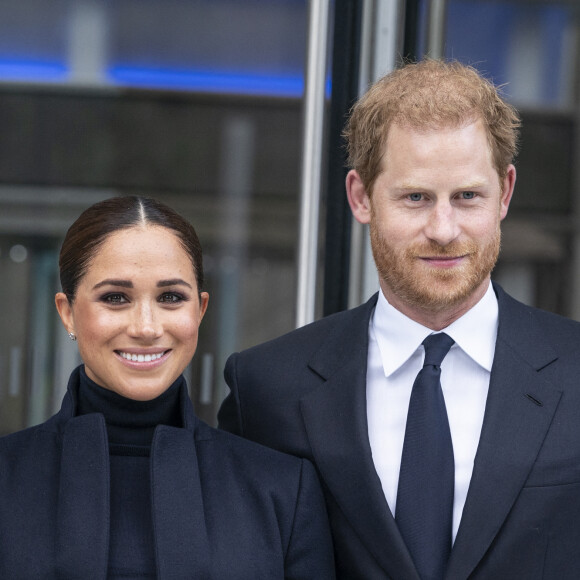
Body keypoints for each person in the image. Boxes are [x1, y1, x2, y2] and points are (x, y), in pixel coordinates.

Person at [218, 59, 580, 580]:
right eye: (415, 197)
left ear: (505, 192)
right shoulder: (268, 389)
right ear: (361, 197)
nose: (443, 228)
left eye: (467, 197)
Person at [0, 196, 335, 579]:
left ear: (200, 310)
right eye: (115, 298)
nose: (146, 327)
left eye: (171, 298)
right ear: (67, 312)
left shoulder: (283, 492)